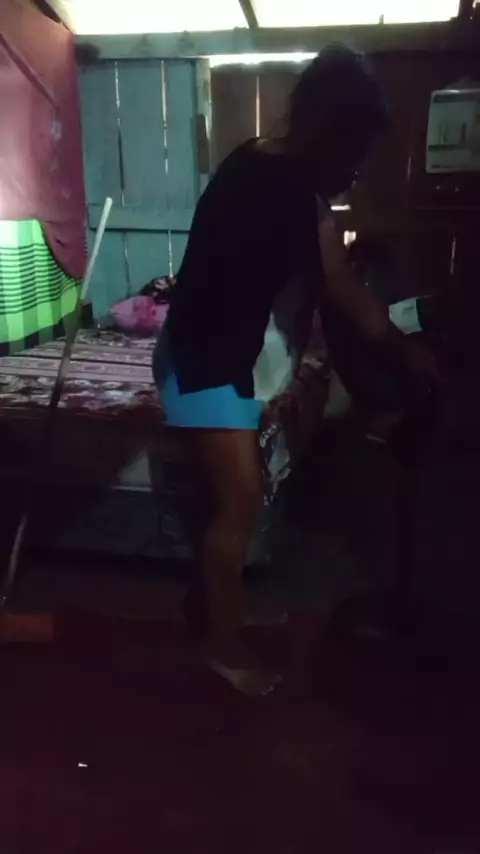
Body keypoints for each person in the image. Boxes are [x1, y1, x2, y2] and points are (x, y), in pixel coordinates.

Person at [153, 44, 438, 697]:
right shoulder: (284, 189)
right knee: (240, 497)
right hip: (200, 359)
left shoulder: (261, 160)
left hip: (213, 350)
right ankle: (221, 646)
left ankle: (218, 610)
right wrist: (404, 350)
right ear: (325, 129)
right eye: (354, 152)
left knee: (235, 496)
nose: (357, 170)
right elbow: (348, 298)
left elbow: (321, 279)